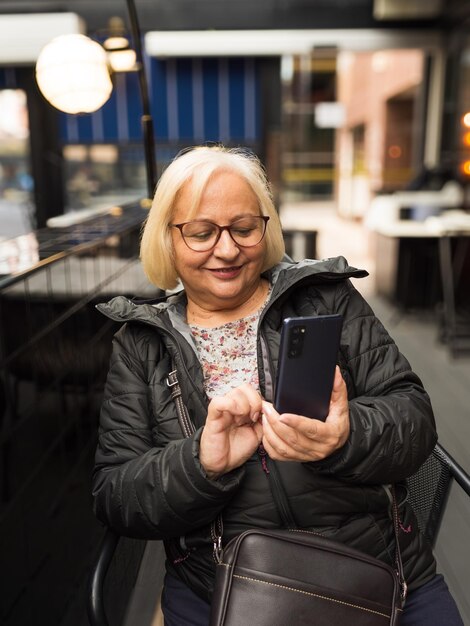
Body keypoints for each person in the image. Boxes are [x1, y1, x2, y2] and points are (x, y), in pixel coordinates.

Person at [92, 145, 463, 626]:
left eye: (244, 229)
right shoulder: (141, 346)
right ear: (167, 239)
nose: (227, 250)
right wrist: (201, 463)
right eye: (202, 233)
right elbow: (115, 494)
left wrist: (345, 438)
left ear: (266, 227)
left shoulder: (326, 299)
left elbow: (414, 418)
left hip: (377, 575)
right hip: (223, 590)